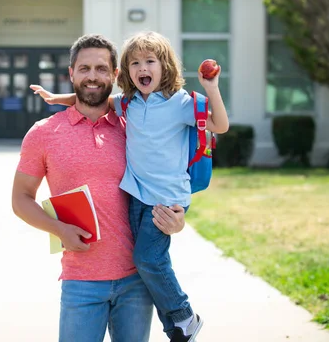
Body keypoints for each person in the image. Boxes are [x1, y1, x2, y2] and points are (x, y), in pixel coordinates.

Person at [31, 31, 230, 342]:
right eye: (135, 62)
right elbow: (94, 97)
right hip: (135, 199)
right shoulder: (129, 105)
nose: (143, 68)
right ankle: (178, 323)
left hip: (165, 198)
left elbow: (219, 124)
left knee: (148, 259)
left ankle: (183, 315)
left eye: (150, 61)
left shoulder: (180, 103)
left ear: (165, 66)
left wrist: (212, 88)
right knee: (149, 259)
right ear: (126, 72)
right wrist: (58, 99)